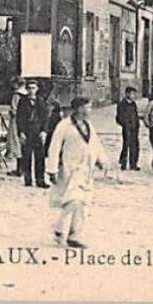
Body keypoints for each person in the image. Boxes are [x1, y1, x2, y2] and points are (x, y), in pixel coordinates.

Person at [45, 96, 110, 249]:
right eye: (88, 107)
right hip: (69, 169)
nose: (90, 110)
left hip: (86, 170)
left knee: (83, 203)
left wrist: (102, 160)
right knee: (73, 200)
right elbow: (54, 147)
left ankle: (74, 235)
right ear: (80, 108)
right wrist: (52, 169)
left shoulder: (88, 125)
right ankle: (60, 229)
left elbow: (95, 144)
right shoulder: (64, 125)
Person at [16, 81, 50, 188]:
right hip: (27, 132)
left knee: (40, 157)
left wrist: (44, 131)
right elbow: (19, 118)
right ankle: (28, 179)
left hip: (38, 132)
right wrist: (21, 132)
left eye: (33, 88)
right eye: (29, 88)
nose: (31, 90)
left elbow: (45, 118)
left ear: (37, 89)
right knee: (26, 157)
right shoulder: (23, 101)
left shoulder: (41, 101)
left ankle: (40, 180)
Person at [115, 86, 141, 171]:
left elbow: (136, 115)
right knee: (126, 145)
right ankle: (123, 163)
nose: (134, 96)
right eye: (132, 94)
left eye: (134, 94)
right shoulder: (122, 104)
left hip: (134, 128)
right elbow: (118, 117)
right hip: (127, 128)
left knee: (135, 146)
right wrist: (124, 124)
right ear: (127, 94)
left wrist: (137, 124)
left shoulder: (134, 104)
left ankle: (133, 164)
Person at [5, 79, 27, 177]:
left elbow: (14, 110)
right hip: (26, 122)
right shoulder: (27, 95)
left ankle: (19, 169)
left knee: (16, 143)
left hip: (16, 122)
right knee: (23, 144)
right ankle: (24, 167)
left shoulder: (17, 95)